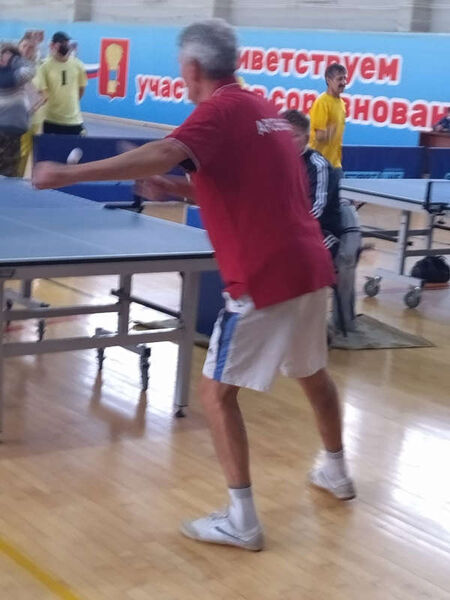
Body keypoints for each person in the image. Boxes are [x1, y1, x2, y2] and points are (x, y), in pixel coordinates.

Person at [33, 19, 356, 552]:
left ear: (191, 67)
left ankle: (241, 520)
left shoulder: (218, 109)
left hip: (261, 275)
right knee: (312, 373)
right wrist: (178, 189)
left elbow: (164, 150)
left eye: (180, 68)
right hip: (308, 268)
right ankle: (337, 472)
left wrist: (67, 175)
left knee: (215, 392)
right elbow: (251, 187)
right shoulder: (263, 110)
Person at [282, 109, 342, 256]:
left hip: (321, 233)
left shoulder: (318, 166)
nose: (287, 141)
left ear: (307, 138)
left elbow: (316, 211)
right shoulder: (274, 163)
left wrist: (283, 226)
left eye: (294, 136)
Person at [34, 31, 87, 135]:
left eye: (66, 43)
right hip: (51, 120)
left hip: (74, 120)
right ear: (52, 45)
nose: (64, 45)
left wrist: (70, 105)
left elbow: (81, 89)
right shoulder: (44, 66)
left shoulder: (78, 65)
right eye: (61, 43)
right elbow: (43, 93)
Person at [0, 43, 35, 176]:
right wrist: (15, 60)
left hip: (12, 132)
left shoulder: (14, 75)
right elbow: (30, 70)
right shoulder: (12, 76)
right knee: (8, 172)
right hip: (6, 130)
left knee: (9, 169)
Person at [309, 62, 347, 175]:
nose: (343, 82)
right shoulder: (322, 102)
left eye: (345, 78)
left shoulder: (341, 103)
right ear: (328, 80)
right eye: (339, 79)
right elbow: (319, 137)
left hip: (335, 165)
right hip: (320, 165)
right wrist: (332, 129)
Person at [17, 33, 46, 176]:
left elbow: (44, 94)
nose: (27, 50)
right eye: (24, 46)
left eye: (31, 47)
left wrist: (35, 106)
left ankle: (17, 180)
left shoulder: (40, 68)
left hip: (34, 119)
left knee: (26, 153)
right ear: (18, 47)